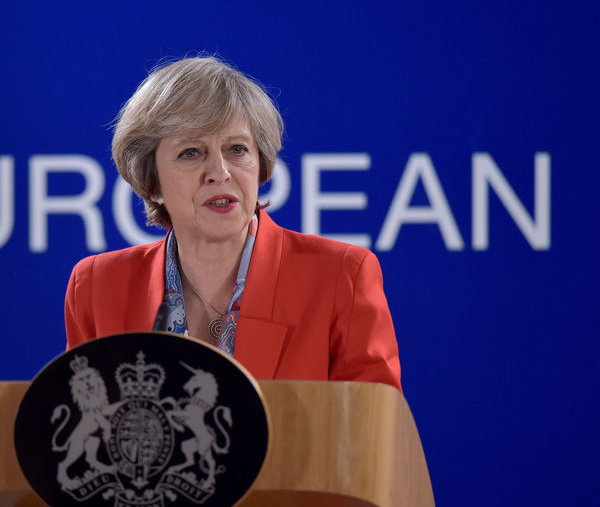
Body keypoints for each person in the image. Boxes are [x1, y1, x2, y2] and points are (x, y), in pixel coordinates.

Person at [64, 56, 401, 392]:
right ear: (152, 182)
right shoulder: (97, 286)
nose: (220, 172)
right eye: (191, 153)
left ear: (261, 164)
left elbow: (374, 434)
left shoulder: (340, 277)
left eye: (237, 149)